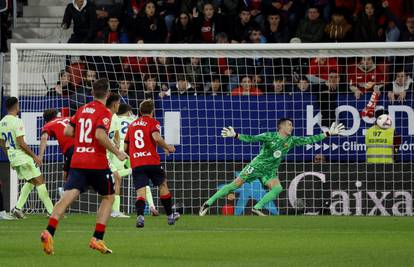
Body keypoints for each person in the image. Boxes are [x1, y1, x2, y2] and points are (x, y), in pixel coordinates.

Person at [40, 79, 128, 255]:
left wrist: (81, 139)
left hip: (78, 161)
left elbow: (67, 132)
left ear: (92, 93)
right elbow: (100, 135)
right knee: (109, 197)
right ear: (108, 94)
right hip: (96, 162)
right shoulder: (104, 112)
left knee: (66, 198)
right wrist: (118, 152)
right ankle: (97, 238)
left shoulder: (81, 110)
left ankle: (49, 232)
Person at [199, 119, 344, 216]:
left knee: (278, 188)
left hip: (269, 171)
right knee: (234, 185)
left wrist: (328, 133)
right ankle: (207, 203)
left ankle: (257, 207)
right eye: (289, 124)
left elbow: (309, 139)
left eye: (292, 125)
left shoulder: (292, 140)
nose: (291, 127)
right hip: (256, 166)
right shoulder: (269, 136)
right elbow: (252, 138)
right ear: (281, 126)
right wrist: (236, 135)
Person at [124, 100, 178, 228]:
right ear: (152, 111)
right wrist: (167, 147)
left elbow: (126, 146)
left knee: (140, 191)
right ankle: (170, 215)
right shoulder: (153, 122)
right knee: (162, 185)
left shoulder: (132, 125)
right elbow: (156, 137)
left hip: (137, 162)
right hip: (151, 161)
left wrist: (134, 155)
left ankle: (140, 217)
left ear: (140, 111)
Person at [0, 97, 54, 219]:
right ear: (16, 106)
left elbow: (2, 143)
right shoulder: (17, 121)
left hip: (14, 157)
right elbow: (21, 143)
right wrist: (35, 157)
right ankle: (52, 212)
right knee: (40, 180)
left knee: (31, 181)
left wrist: (10, 157)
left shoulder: (2, 122)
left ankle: (18, 209)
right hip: (22, 157)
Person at [110, 103, 159, 216]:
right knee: (142, 179)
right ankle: (152, 206)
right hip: (132, 148)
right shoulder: (134, 120)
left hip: (118, 149)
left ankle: (115, 210)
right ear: (128, 112)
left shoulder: (115, 118)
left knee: (116, 176)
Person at [39, 109, 75, 198]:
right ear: (56, 115)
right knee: (67, 174)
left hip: (71, 149)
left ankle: (65, 190)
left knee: (72, 173)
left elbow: (44, 138)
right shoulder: (68, 118)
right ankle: (65, 190)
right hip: (81, 146)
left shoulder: (48, 125)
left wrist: (40, 156)